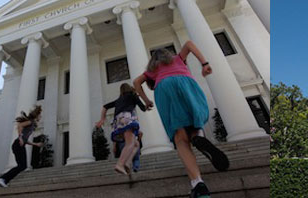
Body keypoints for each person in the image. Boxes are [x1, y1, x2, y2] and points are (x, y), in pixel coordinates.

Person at [133, 41, 229, 197]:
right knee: (195, 120)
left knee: (180, 138)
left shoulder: (152, 71)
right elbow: (189, 44)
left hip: (163, 88)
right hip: (186, 83)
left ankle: (198, 183)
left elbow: (136, 82)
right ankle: (197, 135)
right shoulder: (177, 59)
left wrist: (146, 101)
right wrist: (205, 64)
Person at [96, 83, 148, 175]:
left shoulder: (119, 100)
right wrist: (147, 104)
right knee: (130, 143)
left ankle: (127, 163)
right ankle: (120, 164)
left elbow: (105, 106)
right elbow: (143, 108)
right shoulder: (133, 96)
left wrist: (102, 119)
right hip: (127, 118)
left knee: (136, 144)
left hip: (118, 121)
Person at [0, 106, 44, 187]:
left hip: (19, 145)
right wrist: (20, 137)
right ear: (36, 115)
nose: (40, 117)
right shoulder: (30, 122)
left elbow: (25, 140)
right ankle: (2, 179)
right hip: (18, 145)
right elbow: (20, 125)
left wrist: (35, 144)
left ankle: (4, 180)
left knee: (22, 166)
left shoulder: (32, 125)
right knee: (22, 166)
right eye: (40, 115)